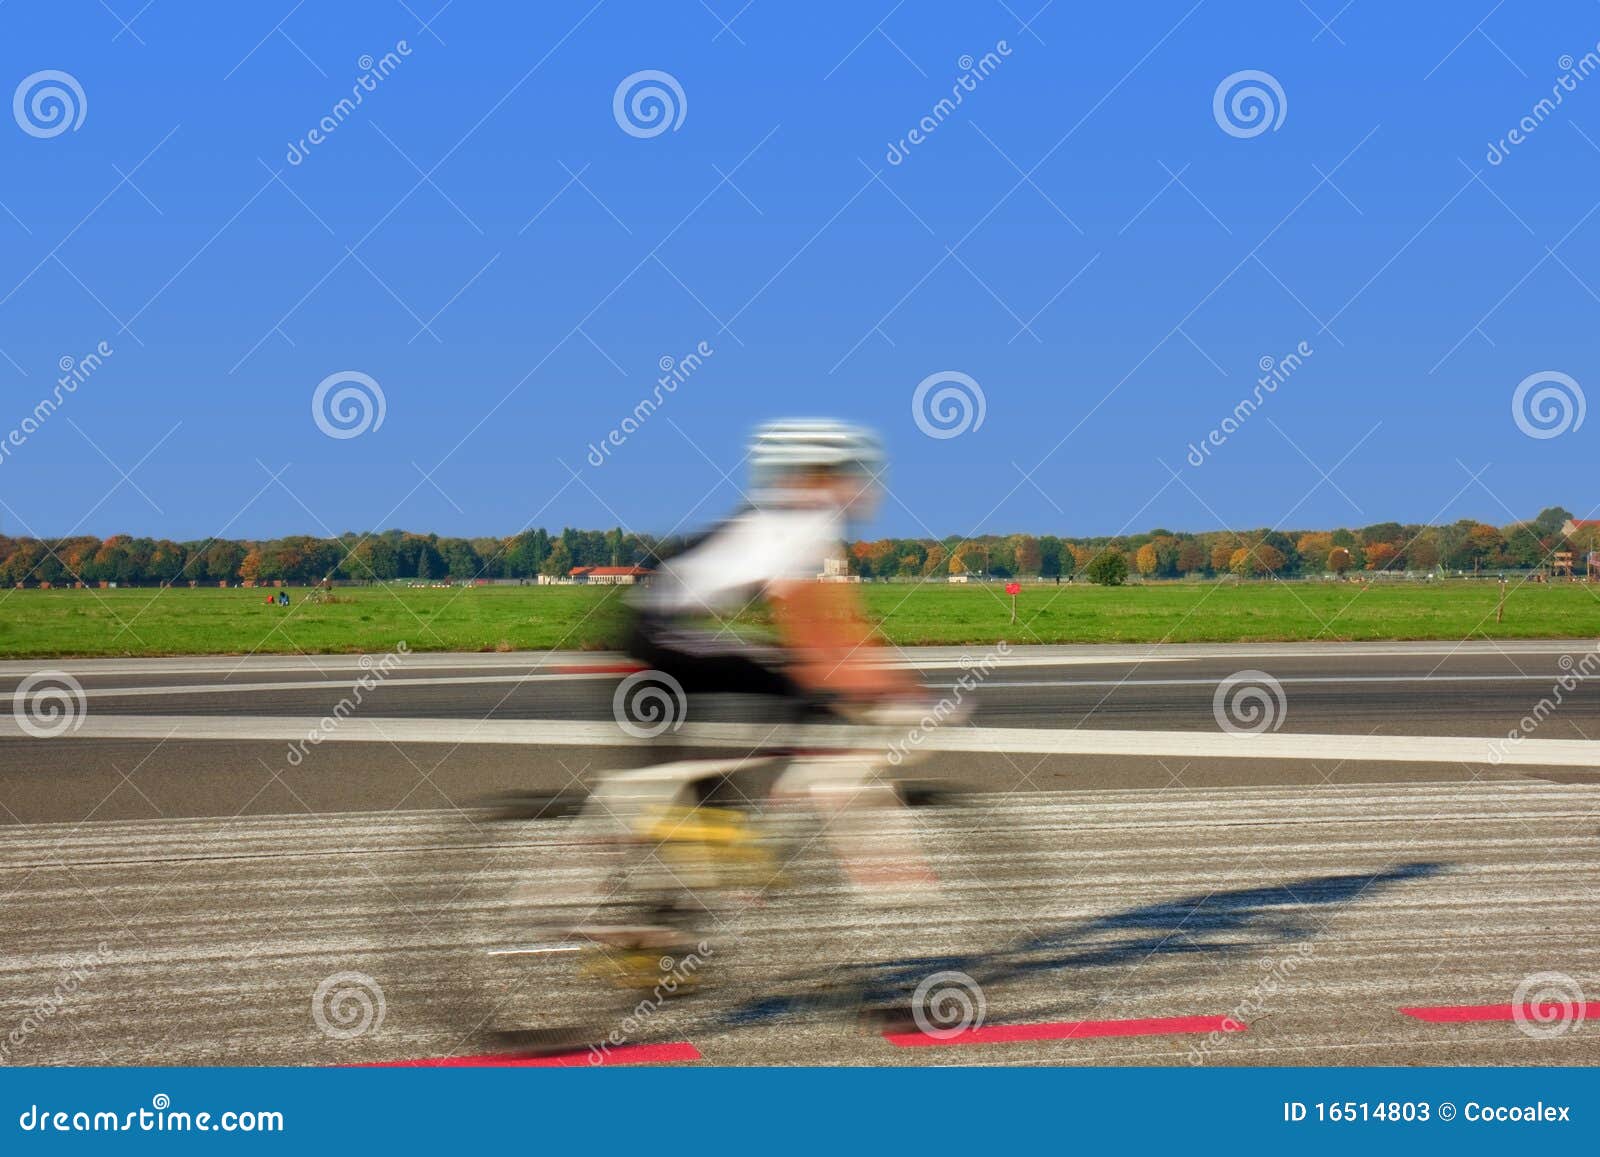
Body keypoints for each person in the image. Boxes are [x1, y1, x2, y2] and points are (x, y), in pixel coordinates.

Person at [628, 418, 918, 711]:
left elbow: (836, 625)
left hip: (667, 626)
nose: (861, 487)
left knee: (802, 679)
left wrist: (878, 680)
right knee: (799, 682)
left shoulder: (802, 522)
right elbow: (810, 630)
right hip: (659, 632)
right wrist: (891, 688)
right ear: (819, 481)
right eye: (848, 475)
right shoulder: (794, 528)